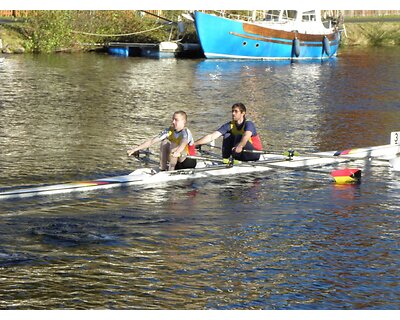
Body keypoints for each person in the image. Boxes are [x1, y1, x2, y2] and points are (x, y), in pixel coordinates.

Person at [127, 111, 197, 171]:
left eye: (176, 120)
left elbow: (184, 142)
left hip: (188, 161)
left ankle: (171, 171)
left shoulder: (186, 132)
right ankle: (163, 168)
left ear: (183, 121)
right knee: (164, 143)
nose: (173, 122)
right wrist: (134, 149)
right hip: (176, 160)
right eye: (173, 119)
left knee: (173, 145)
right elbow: (152, 141)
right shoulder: (169, 130)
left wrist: (178, 151)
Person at [194, 103, 262, 162]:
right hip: (239, 151)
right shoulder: (230, 125)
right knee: (227, 135)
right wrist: (194, 144)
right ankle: (226, 159)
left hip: (254, 153)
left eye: (236, 111)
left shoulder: (249, 124)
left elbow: (246, 136)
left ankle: (236, 158)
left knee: (239, 136)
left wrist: (240, 146)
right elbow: (211, 136)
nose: (233, 113)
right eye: (232, 111)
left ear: (243, 113)